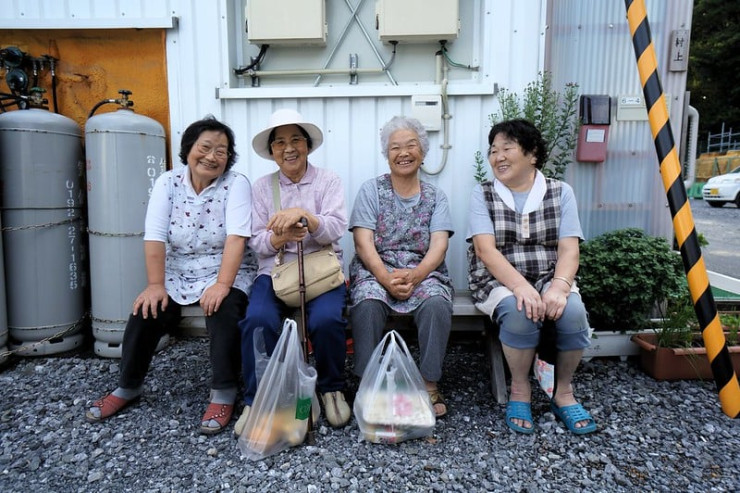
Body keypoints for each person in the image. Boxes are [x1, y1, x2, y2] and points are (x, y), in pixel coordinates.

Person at [86, 116, 255, 435]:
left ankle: (223, 391)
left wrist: (221, 284)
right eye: (205, 147)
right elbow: (155, 235)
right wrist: (154, 284)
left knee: (223, 307)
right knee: (146, 309)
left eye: (222, 151)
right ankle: (128, 385)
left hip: (225, 270)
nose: (212, 156)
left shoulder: (237, 184)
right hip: (178, 271)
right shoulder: (168, 182)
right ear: (188, 148)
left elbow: (237, 238)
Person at [467, 118, 596, 435]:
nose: (498, 157)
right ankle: (520, 389)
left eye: (507, 148)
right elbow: (486, 250)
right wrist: (521, 287)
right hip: (497, 280)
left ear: (533, 154)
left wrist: (560, 287)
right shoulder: (483, 194)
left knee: (573, 312)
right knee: (519, 310)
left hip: (549, 278)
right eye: (493, 150)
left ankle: (562, 392)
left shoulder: (560, 192)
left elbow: (569, 250)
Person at [235, 109, 350, 435]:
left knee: (326, 320)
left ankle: (331, 388)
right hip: (276, 270)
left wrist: (306, 217)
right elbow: (257, 243)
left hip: (322, 269)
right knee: (257, 320)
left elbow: (336, 227)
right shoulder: (261, 188)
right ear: (272, 151)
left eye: (296, 140)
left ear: (308, 145)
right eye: (280, 142)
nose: (289, 148)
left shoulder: (329, 180)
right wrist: (281, 236)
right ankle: (259, 397)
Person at [349, 116, 454, 418]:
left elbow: (439, 245)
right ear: (387, 154)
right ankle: (368, 384)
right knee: (367, 302)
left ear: (423, 151)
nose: (403, 153)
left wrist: (417, 275)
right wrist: (384, 277)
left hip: (423, 271)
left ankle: (429, 382)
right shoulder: (372, 190)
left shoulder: (436, 196)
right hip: (376, 269)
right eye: (395, 147)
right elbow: (362, 243)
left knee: (436, 303)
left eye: (411, 146)